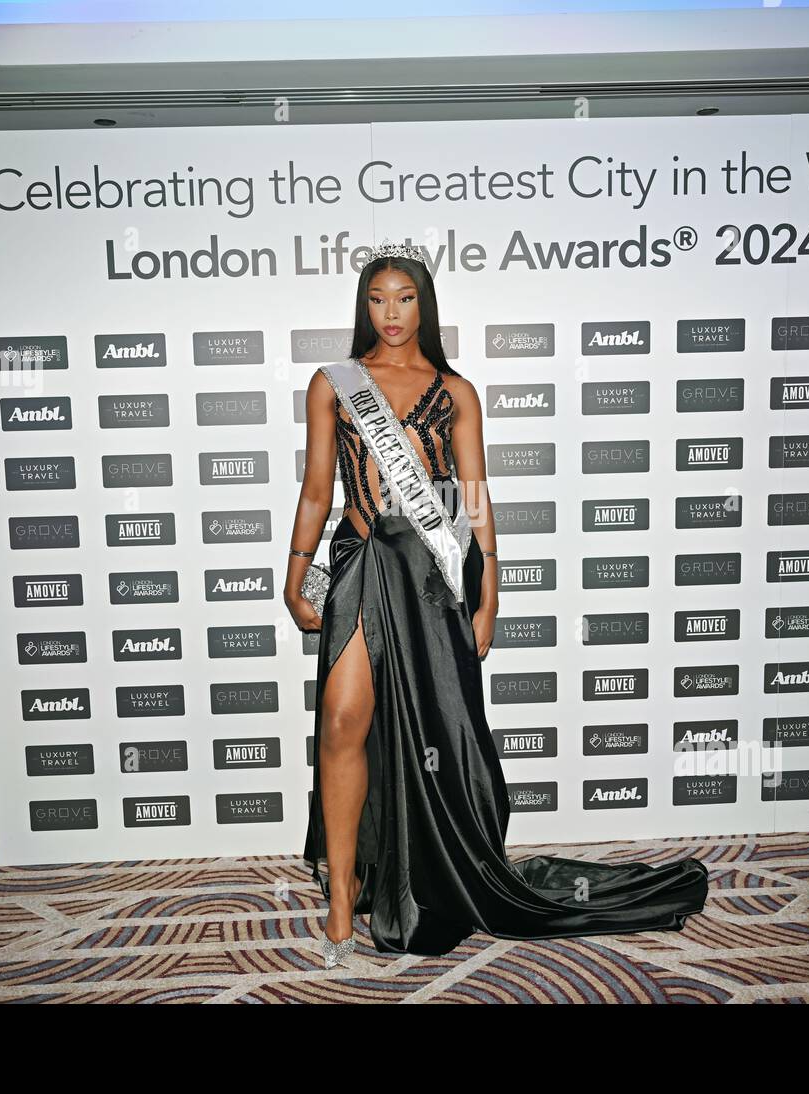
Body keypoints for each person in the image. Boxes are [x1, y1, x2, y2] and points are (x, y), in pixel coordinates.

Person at [283, 238, 709, 967]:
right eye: (378, 298)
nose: (391, 312)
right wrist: (295, 571)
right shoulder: (333, 383)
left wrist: (491, 589)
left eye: (405, 297)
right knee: (343, 719)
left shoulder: (456, 391)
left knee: (440, 737)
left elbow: (474, 499)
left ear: (425, 304)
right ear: (364, 305)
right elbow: (320, 489)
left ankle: (425, 873)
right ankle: (343, 900)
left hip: (429, 578)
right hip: (359, 566)